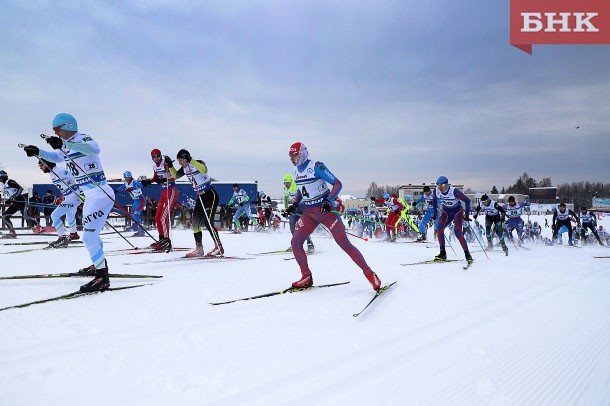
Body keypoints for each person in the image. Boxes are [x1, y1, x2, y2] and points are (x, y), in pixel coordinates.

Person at [24, 113, 113, 292]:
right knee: (92, 234)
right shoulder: (65, 145)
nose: (56, 133)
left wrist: (67, 144)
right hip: (90, 196)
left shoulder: (82, 138)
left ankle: (102, 277)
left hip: (100, 194)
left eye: (57, 129)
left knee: (88, 236)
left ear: (68, 126)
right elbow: (56, 157)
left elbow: (94, 149)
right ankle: (98, 265)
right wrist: (38, 152)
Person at [286, 142, 382, 290]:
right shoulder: (295, 171)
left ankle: (370, 274)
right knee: (295, 242)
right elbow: (301, 189)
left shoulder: (316, 166)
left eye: (295, 155)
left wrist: (328, 200)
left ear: (303, 153)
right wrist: (294, 203)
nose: (293, 158)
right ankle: (306, 276)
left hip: (325, 211)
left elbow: (337, 184)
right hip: (309, 212)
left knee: (344, 244)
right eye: (291, 156)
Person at [168, 149, 223, 257]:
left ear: (185, 158)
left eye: (180, 160)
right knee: (195, 223)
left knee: (208, 222)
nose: (179, 163)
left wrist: (191, 160)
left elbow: (204, 170)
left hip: (210, 195)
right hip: (200, 197)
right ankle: (199, 248)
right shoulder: (184, 168)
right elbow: (175, 176)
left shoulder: (197, 163)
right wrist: (170, 165)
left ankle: (219, 246)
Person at [34, 159, 82, 248]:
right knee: (70, 215)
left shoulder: (60, 171)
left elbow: (77, 176)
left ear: (47, 165)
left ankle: (62, 238)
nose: (41, 168)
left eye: (41, 166)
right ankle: (73, 234)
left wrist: (82, 192)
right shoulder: (52, 173)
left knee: (54, 215)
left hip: (74, 197)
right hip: (69, 197)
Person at [140, 149, 177, 250]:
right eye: (154, 157)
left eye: (158, 156)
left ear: (161, 156)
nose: (156, 158)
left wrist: (165, 179)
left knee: (163, 218)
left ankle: (166, 240)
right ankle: (161, 239)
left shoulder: (165, 164)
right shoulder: (154, 166)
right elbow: (155, 177)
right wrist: (148, 181)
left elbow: (175, 176)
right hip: (164, 191)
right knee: (157, 217)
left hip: (171, 190)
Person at [431, 176, 473, 264]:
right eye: (438, 185)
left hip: (457, 212)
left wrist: (467, 213)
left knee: (457, 232)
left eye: (442, 185)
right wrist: (434, 212)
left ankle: (467, 254)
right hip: (446, 212)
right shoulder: (436, 191)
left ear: (446, 184)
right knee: (439, 228)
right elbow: (434, 201)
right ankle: (443, 253)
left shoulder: (454, 191)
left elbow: (467, 201)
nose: (440, 187)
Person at [0, 170, 41, 238]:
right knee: (5, 216)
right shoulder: (4, 184)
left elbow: (20, 188)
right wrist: (9, 200)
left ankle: (39, 227)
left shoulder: (10, 181)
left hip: (20, 200)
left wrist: (14, 197)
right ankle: (12, 232)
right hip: (15, 202)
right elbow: (12, 193)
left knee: (25, 215)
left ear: (2, 177)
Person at [283, 173, 314, 253]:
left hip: (305, 206)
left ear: (291, 182)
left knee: (303, 225)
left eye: (288, 183)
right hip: (296, 207)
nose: (286, 185)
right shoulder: (286, 189)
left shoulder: (298, 186)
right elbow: (286, 198)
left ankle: (309, 242)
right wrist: (286, 209)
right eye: (285, 183)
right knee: (292, 222)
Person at [117, 171, 146, 237]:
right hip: (135, 201)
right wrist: (116, 190)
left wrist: (132, 188)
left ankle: (141, 230)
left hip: (140, 200)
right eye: (126, 177)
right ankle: (135, 227)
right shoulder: (126, 183)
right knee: (132, 214)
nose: (127, 178)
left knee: (136, 214)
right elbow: (122, 187)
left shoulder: (134, 182)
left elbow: (140, 185)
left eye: (129, 177)